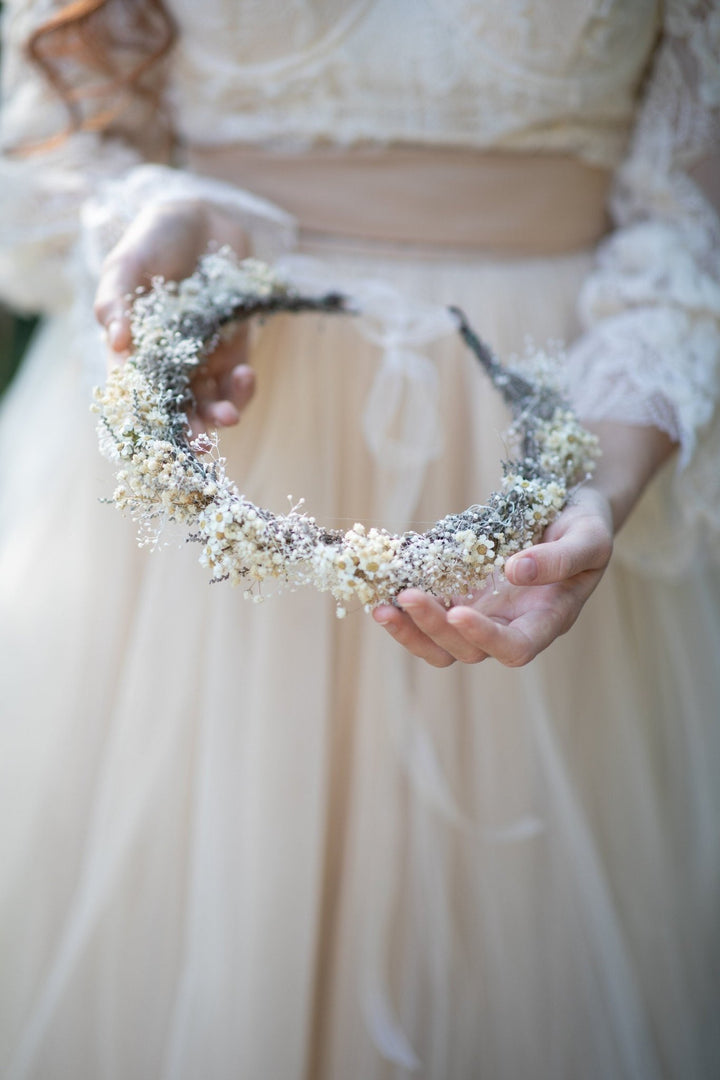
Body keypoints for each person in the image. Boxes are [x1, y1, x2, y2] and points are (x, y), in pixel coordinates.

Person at [1, 2, 719, 1078]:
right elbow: (39, 159)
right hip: (206, 454)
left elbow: (690, 230)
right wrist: (154, 217)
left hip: (564, 416)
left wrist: (599, 488)